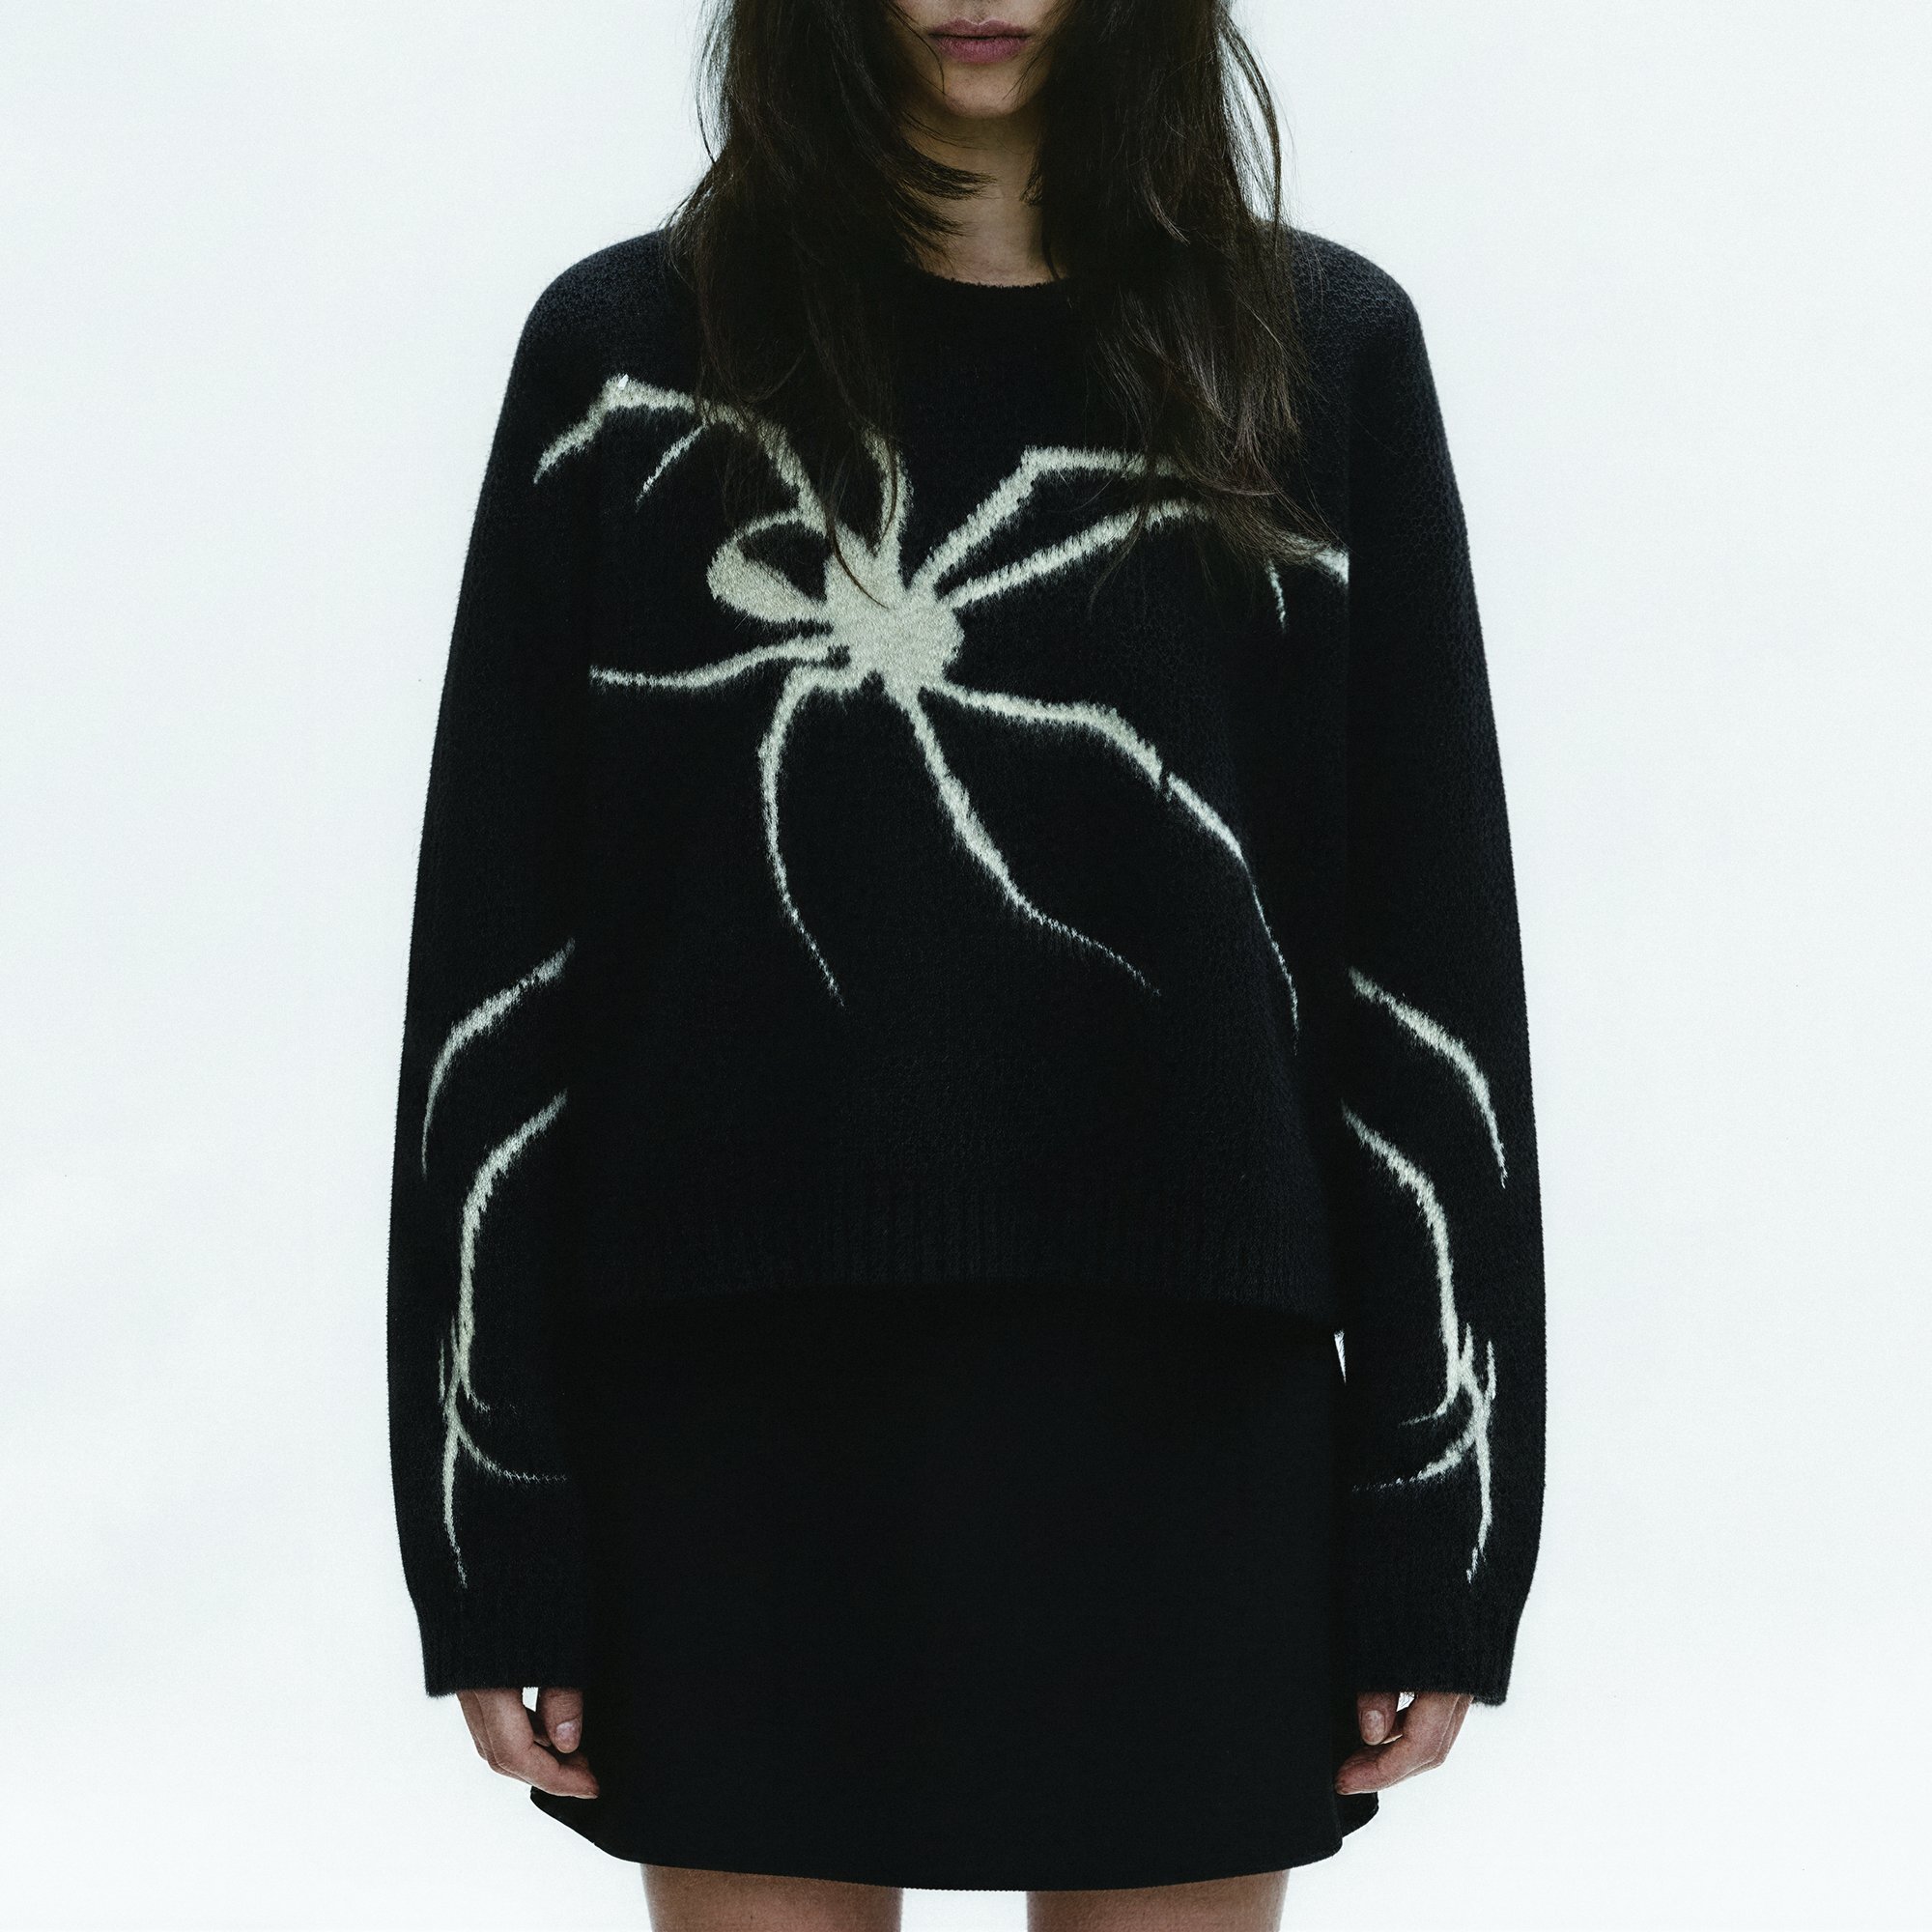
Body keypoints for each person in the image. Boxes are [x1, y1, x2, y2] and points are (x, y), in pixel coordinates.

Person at [384, 0, 1547, 1924]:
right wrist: (482, 1508)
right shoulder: (632, 356)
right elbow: (501, 950)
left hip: (1185, 1393)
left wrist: (1449, 1508)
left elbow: (1422, 943)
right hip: (732, 1395)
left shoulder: (1306, 353)